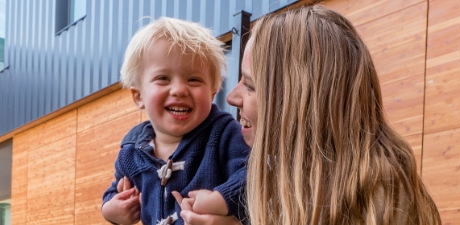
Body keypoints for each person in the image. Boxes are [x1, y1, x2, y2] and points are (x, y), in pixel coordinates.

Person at [178, 5, 442, 225]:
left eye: (250, 85)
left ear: (296, 103)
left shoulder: (381, 207)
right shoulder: (288, 188)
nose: (231, 97)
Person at [101, 17, 250, 225]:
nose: (179, 89)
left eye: (194, 79)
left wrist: (222, 198)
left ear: (212, 92)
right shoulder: (132, 150)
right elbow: (115, 188)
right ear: (139, 96)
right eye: (163, 78)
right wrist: (110, 209)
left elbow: (252, 173)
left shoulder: (223, 132)